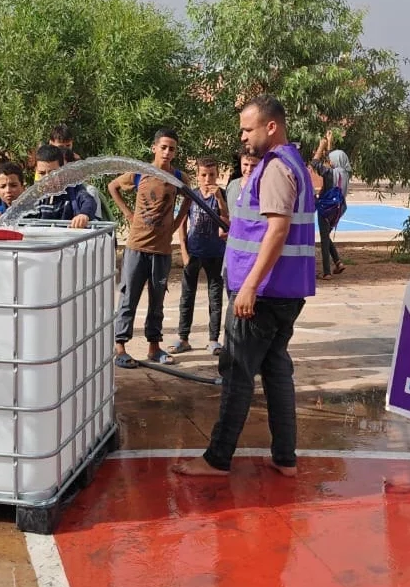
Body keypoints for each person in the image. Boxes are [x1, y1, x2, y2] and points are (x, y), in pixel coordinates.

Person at [172, 95, 315, 478]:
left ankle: (217, 459)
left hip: (263, 294)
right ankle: (285, 458)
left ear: (271, 127)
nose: (243, 137)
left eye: (248, 129)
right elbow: (266, 226)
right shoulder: (294, 164)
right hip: (284, 291)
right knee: (276, 371)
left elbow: (278, 230)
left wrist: (250, 286)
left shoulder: (274, 169)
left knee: (236, 371)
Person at [108, 129, 188, 367]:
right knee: (129, 297)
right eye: (163, 147)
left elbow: (189, 199)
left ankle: (154, 346)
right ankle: (120, 347)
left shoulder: (178, 177)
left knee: (157, 301)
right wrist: (128, 214)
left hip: (162, 251)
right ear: (154, 148)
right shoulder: (140, 172)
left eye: (172, 148)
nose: (167, 152)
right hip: (137, 247)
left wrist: (175, 224)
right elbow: (113, 187)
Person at [170, 157, 230, 357]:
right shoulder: (192, 196)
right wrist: (184, 252)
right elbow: (182, 223)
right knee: (187, 297)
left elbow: (227, 222)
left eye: (211, 175)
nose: (207, 179)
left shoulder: (221, 195)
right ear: (197, 175)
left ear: (218, 175)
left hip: (215, 253)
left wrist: (221, 200)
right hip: (194, 253)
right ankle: (183, 337)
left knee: (215, 298)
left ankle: (213, 339)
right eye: (203, 175)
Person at [0, 145, 96, 227]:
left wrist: (83, 215)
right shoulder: (34, 195)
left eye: (53, 173)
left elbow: (88, 201)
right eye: (42, 173)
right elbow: (16, 213)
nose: (47, 178)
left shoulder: (73, 190)